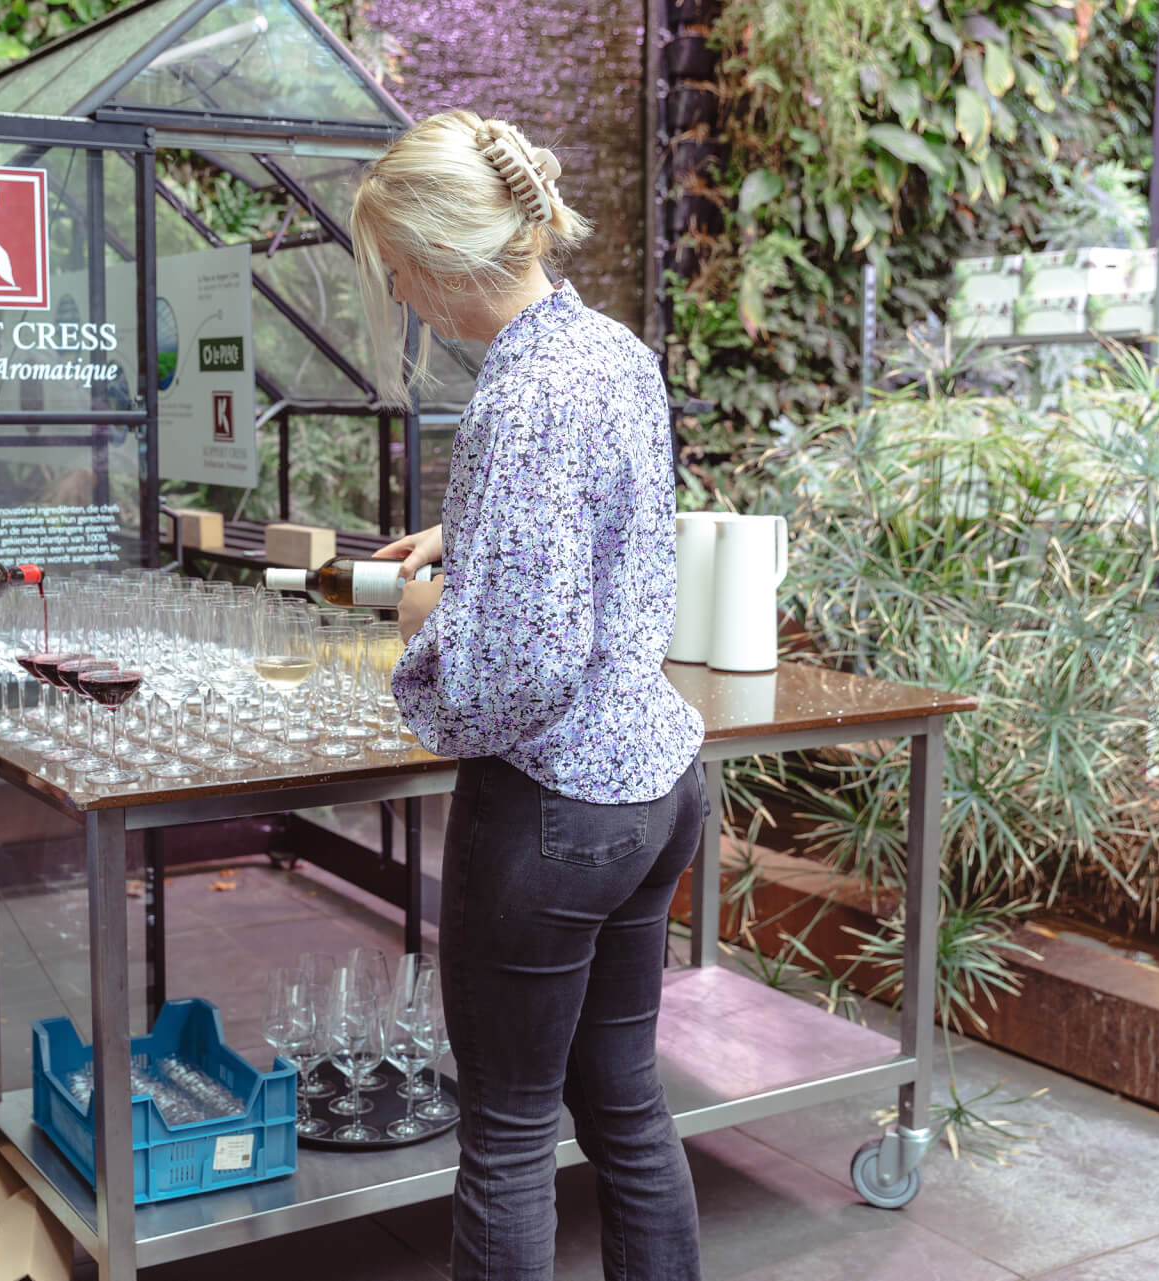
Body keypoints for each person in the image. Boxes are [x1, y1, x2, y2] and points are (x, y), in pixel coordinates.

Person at [358, 112, 709, 1280]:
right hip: (654, 783)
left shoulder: (514, 401)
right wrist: (470, 539)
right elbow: (599, 533)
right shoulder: (613, 351)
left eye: (398, 271)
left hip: (555, 810)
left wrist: (426, 629)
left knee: (508, 1138)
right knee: (625, 1104)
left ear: (444, 258)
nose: (402, 297)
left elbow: (520, 673)